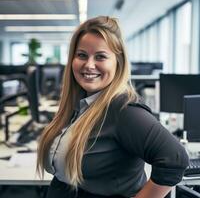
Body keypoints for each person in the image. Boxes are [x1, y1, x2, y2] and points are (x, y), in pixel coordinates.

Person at [37, 16, 189, 198]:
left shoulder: (124, 110)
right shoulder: (81, 102)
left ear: (118, 62)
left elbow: (175, 159)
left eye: (100, 56)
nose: (89, 65)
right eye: (82, 55)